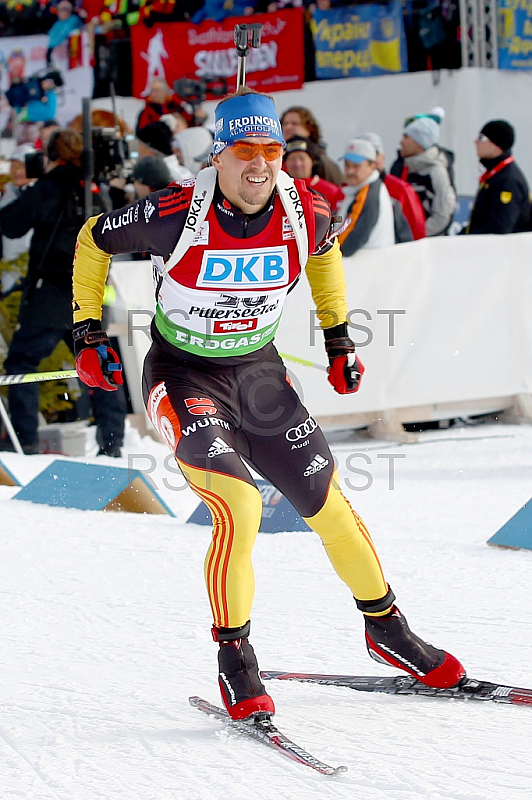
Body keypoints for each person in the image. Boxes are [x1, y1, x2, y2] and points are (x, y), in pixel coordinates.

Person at [71, 87, 466, 721]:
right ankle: (236, 663)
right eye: (246, 151)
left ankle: (386, 630)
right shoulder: (177, 212)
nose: (261, 166)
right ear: (218, 155)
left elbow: (326, 255)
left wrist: (338, 337)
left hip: (260, 379)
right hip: (184, 379)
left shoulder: (303, 208)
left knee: (330, 504)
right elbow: (94, 240)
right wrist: (88, 330)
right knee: (240, 503)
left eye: (273, 151)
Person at [0, 129, 127, 456]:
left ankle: (23, 440)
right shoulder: (96, 189)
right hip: (90, 293)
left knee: (21, 363)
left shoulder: (50, 187)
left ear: (53, 156)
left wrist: (20, 191)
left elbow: (10, 223)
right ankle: (112, 443)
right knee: (100, 365)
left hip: (50, 295)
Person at [464, 120, 530, 235]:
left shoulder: (508, 181)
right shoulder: (495, 174)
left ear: (496, 145)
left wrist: (469, 240)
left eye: (481, 138)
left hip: (499, 250)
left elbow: (499, 228)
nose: (475, 142)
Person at [393, 117, 455, 236]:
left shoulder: (436, 172)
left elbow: (441, 217)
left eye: (406, 137)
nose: (401, 142)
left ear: (419, 142)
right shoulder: (405, 167)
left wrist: (412, 235)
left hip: (424, 246)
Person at [359, 132, 426, 240]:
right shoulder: (345, 191)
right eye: (363, 155)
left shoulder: (401, 189)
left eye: (375, 154)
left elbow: (417, 231)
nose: (370, 160)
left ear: (383, 157)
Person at [335, 138, 395, 256]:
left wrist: (325, 255)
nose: (350, 171)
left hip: (365, 265)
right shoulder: (365, 188)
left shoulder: (368, 193)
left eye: (356, 166)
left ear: (372, 166)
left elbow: (350, 239)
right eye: (347, 165)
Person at [280, 105, 344, 186]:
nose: (288, 127)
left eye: (294, 123)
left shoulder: (323, 162)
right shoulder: (277, 158)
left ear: (309, 128)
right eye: (285, 123)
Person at [282, 135, 344, 212]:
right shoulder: (278, 190)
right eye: (292, 159)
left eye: (302, 158)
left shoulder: (332, 192)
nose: (297, 164)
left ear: (312, 161)